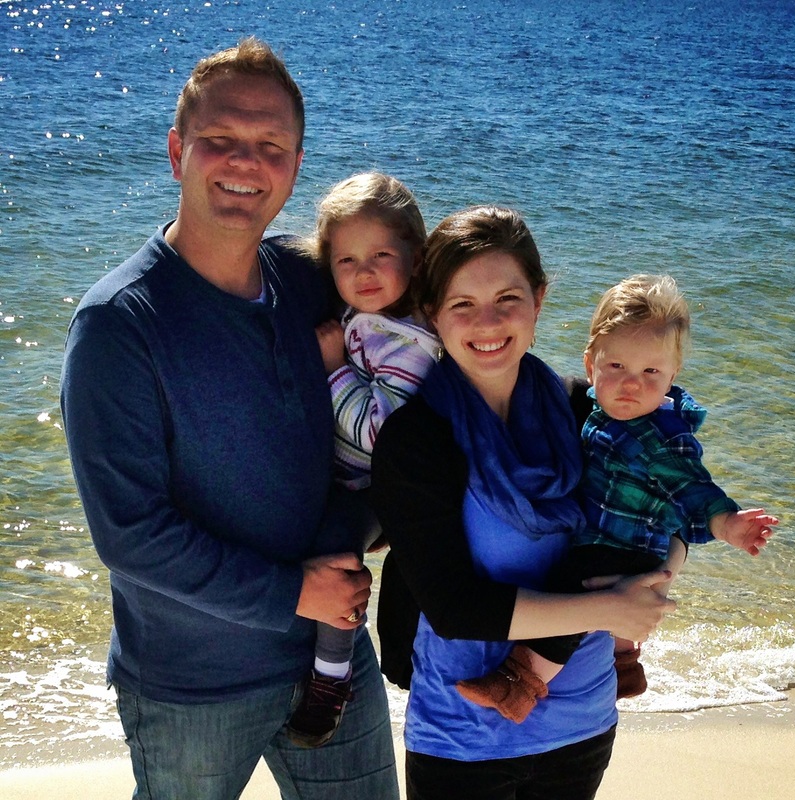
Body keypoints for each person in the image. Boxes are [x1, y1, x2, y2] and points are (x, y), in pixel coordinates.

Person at [60, 38, 399, 800]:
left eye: (271, 145)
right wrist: (294, 593)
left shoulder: (309, 280)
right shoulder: (118, 324)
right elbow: (130, 534)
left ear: (296, 166)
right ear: (176, 150)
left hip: (333, 656)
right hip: (191, 688)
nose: (246, 161)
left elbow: (419, 361)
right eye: (220, 138)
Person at [371, 206, 677, 800]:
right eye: (462, 304)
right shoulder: (417, 440)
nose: (487, 322)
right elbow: (455, 608)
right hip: (463, 734)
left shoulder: (589, 410)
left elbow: (672, 498)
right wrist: (608, 607)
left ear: (538, 301)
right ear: (433, 313)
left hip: (583, 722)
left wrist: (657, 578)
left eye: (507, 298)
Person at [456, 273, 779, 722]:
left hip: (626, 548)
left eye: (650, 373)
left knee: (571, 588)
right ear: (591, 365)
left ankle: (520, 683)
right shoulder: (598, 410)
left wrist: (728, 523)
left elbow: (692, 488)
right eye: (617, 367)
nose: (632, 384)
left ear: (671, 376)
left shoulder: (659, 436)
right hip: (617, 538)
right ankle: (625, 666)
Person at [286, 172, 439, 747]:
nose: (363, 272)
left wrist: (333, 368)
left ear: (415, 257)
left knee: (337, 552)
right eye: (346, 260)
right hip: (341, 473)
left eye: (381, 256)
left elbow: (380, 432)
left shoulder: (411, 341)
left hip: (374, 485)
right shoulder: (366, 315)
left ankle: (332, 678)